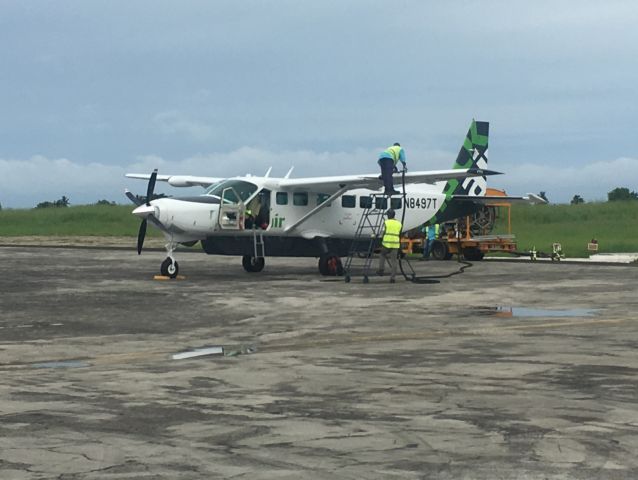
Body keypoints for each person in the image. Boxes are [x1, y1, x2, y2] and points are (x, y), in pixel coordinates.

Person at [376, 209, 402, 283]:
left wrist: (380, 238)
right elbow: (399, 233)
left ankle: (381, 270)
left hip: (386, 244)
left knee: (382, 255)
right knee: (394, 261)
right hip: (395, 244)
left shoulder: (386, 222)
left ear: (388, 215)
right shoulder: (399, 223)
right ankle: (392, 278)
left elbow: (383, 232)